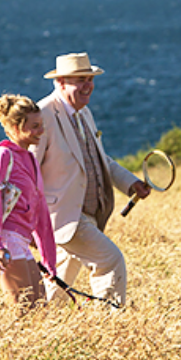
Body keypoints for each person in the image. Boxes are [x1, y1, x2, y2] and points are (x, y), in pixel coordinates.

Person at [32, 52, 151, 307]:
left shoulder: (83, 112)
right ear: (60, 83)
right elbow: (29, 169)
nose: (88, 85)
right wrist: (29, 223)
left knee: (61, 278)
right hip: (62, 216)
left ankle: (43, 323)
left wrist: (130, 183)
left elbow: (99, 158)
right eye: (80, 80)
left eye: (90, 78)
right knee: (109, 260)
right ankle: (109, 326)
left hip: (85, 214)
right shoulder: (42, 114)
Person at [0, 93, 57, 311]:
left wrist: (49, 261)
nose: (41, 131)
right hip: (4, 241)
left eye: (41, 125)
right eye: (34, 126)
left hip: (21, 241)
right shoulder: (2, 156)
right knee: (23, 311)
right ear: (15, 128)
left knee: (40, 308)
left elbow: (41, 212)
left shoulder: (31, 159)